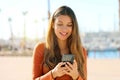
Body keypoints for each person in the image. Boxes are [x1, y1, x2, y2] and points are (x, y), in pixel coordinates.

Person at [32, 5, 87, 80]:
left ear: (73, 27)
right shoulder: (40, 48)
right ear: (53, 24)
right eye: (60, 24)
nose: (64, 29)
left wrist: (76, 76)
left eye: (69, 25)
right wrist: (53, 74)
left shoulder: (81, 51)